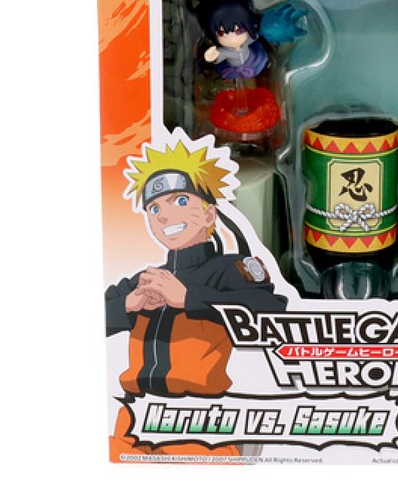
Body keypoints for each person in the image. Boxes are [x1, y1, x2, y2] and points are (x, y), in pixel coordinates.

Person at [105, 136, 287, 458]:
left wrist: (189, 298)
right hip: (134, 419)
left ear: (209, 215)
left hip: (201, 421)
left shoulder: (230, 270)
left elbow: (272, 313)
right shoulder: (144, 279)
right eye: (154, 208)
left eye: (179, 201)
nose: (163, 216)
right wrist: (128, 305)